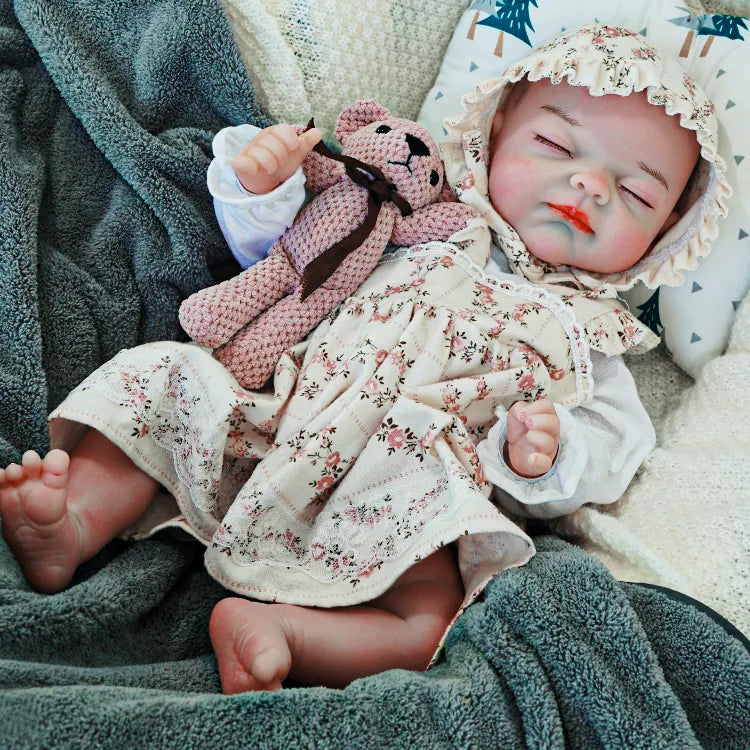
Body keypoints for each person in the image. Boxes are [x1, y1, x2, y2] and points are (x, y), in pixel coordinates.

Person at [0, 24, 729, 693]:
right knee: (170, 378)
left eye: (635, 192)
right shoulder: (418, 214)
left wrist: (545, 453)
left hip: (404, 485)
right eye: (559, 147)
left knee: (436, 613)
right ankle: (74, 521)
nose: (589, 186)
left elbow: (615, 449)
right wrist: (261, 188)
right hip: (284, 410)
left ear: (668, 232)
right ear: (497, 132)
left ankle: (288, 632)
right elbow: (292, 262)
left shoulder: (595, 336)